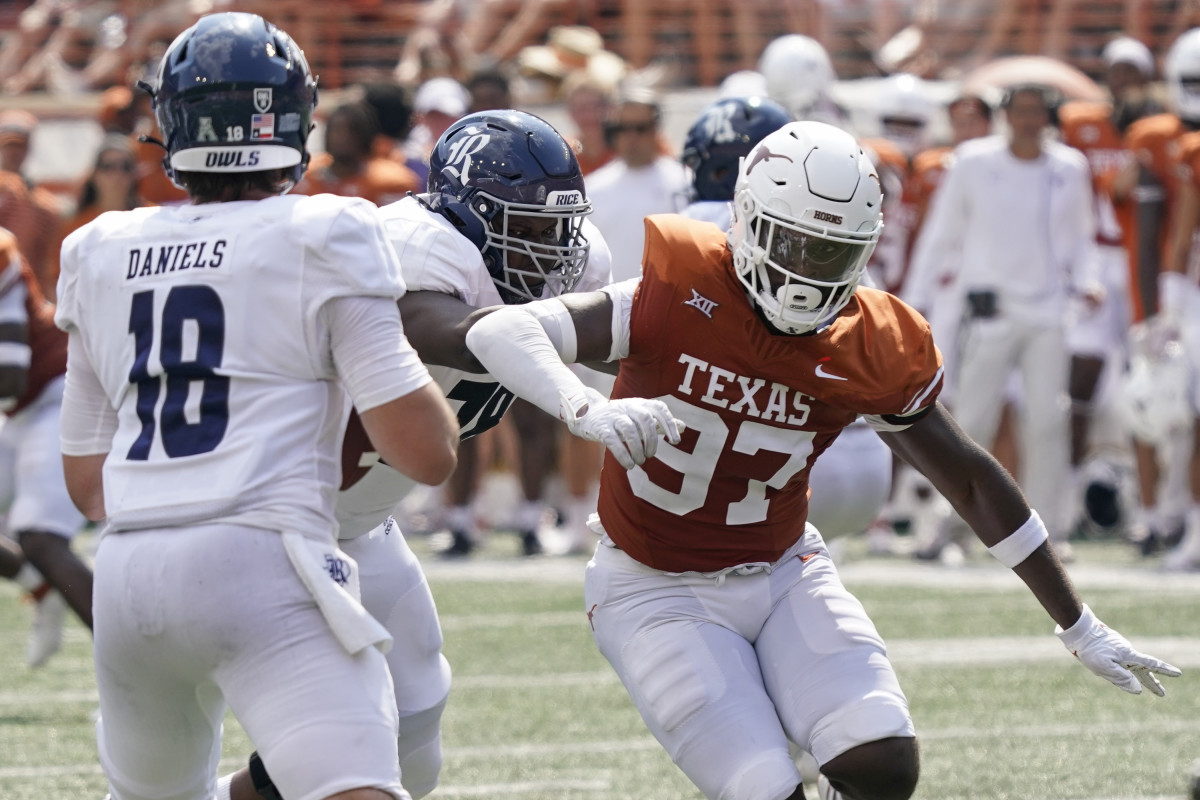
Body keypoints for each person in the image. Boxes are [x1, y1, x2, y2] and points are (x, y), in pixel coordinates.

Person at [461, 120, 1180, 800]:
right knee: (763, 786)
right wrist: (585, 408)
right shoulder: (680, 291)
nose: (807, 272)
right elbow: (501, 333)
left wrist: (1076, 622)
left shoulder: (872, 339)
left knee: (884, 760)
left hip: (781, 570)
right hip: (653, 587)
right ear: (748, 223)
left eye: (831, 253)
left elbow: (965, 475)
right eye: (794, 243)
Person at [55, 13, 460, 800]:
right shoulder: (328, 229)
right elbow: (425, 453)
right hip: (263, 559)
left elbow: (85, 481)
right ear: (292, 116)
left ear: (170, 121)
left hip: (129, 575)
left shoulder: (99, 247)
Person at [219, 108, 657, 800]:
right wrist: (584, 404)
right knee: (338, 729)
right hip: (270, 515)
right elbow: (464, 335)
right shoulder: (412, 247)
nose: (552, 248)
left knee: (414, 725)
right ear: (467, 215)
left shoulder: (576, 258)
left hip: (362, 520)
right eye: (529, 227)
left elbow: (635, 337)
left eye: (559, 225)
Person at [909, 84, 1100, 557]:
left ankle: (1051, 530)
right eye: (1021, 110)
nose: (1028, 120)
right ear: (1006, 115)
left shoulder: (1069, 168)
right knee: (971, 420)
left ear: (1049, 116)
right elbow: (941, 232)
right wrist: (914, 300)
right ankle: (949, 526)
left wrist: (1088, 280)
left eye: (1037, 110)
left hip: (1048, 309)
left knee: (1047, 420)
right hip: (990, 308)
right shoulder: (973, 162)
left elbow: (1082, 236)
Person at [0, 226, 91, 668]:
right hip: (16, 409)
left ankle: (134, 672)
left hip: (57, 392)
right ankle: (39, 587)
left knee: (40, 536)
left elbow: (8, 376)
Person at [586, 87, 688, 282]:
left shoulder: (684, 183)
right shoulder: (592, 188)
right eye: (622, 128)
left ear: (656, 129)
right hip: (612, 307)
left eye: (640, 128)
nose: (631, 137)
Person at [293, 100, 421, 205]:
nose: (343, 137)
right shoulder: (303, 176)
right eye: (337, 130)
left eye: (352, 131)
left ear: (365, 135)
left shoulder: (390, 181)